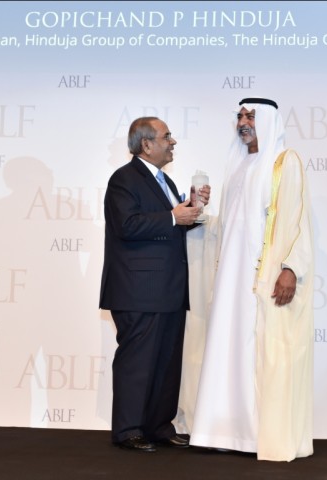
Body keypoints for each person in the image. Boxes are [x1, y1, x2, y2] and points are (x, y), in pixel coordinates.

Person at [189, 98, 315, 461]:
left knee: (260, 352)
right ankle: (225, 430)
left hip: (265, 276)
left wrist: (291, 267)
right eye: (240, 116)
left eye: (251, 116)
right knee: (229, 347)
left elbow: (298, 219)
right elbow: (230, 228)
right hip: (230, 277)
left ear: (269, 121)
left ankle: (259, 434)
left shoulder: (283, 162)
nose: (244, 122)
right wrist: (199, 210)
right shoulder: (237, 164)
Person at [99, 116, 210, 453]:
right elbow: (128, 225)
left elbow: (166, 226)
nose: (172, 142)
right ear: (146, 144)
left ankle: (159, 426)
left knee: (165, 362)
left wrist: (191, 209)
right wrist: (175, 215)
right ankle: (129, 430)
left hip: (169, 290)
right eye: (166, 136)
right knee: (138, 362)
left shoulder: (165, 181)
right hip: (138, 291)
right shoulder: (124, 179)